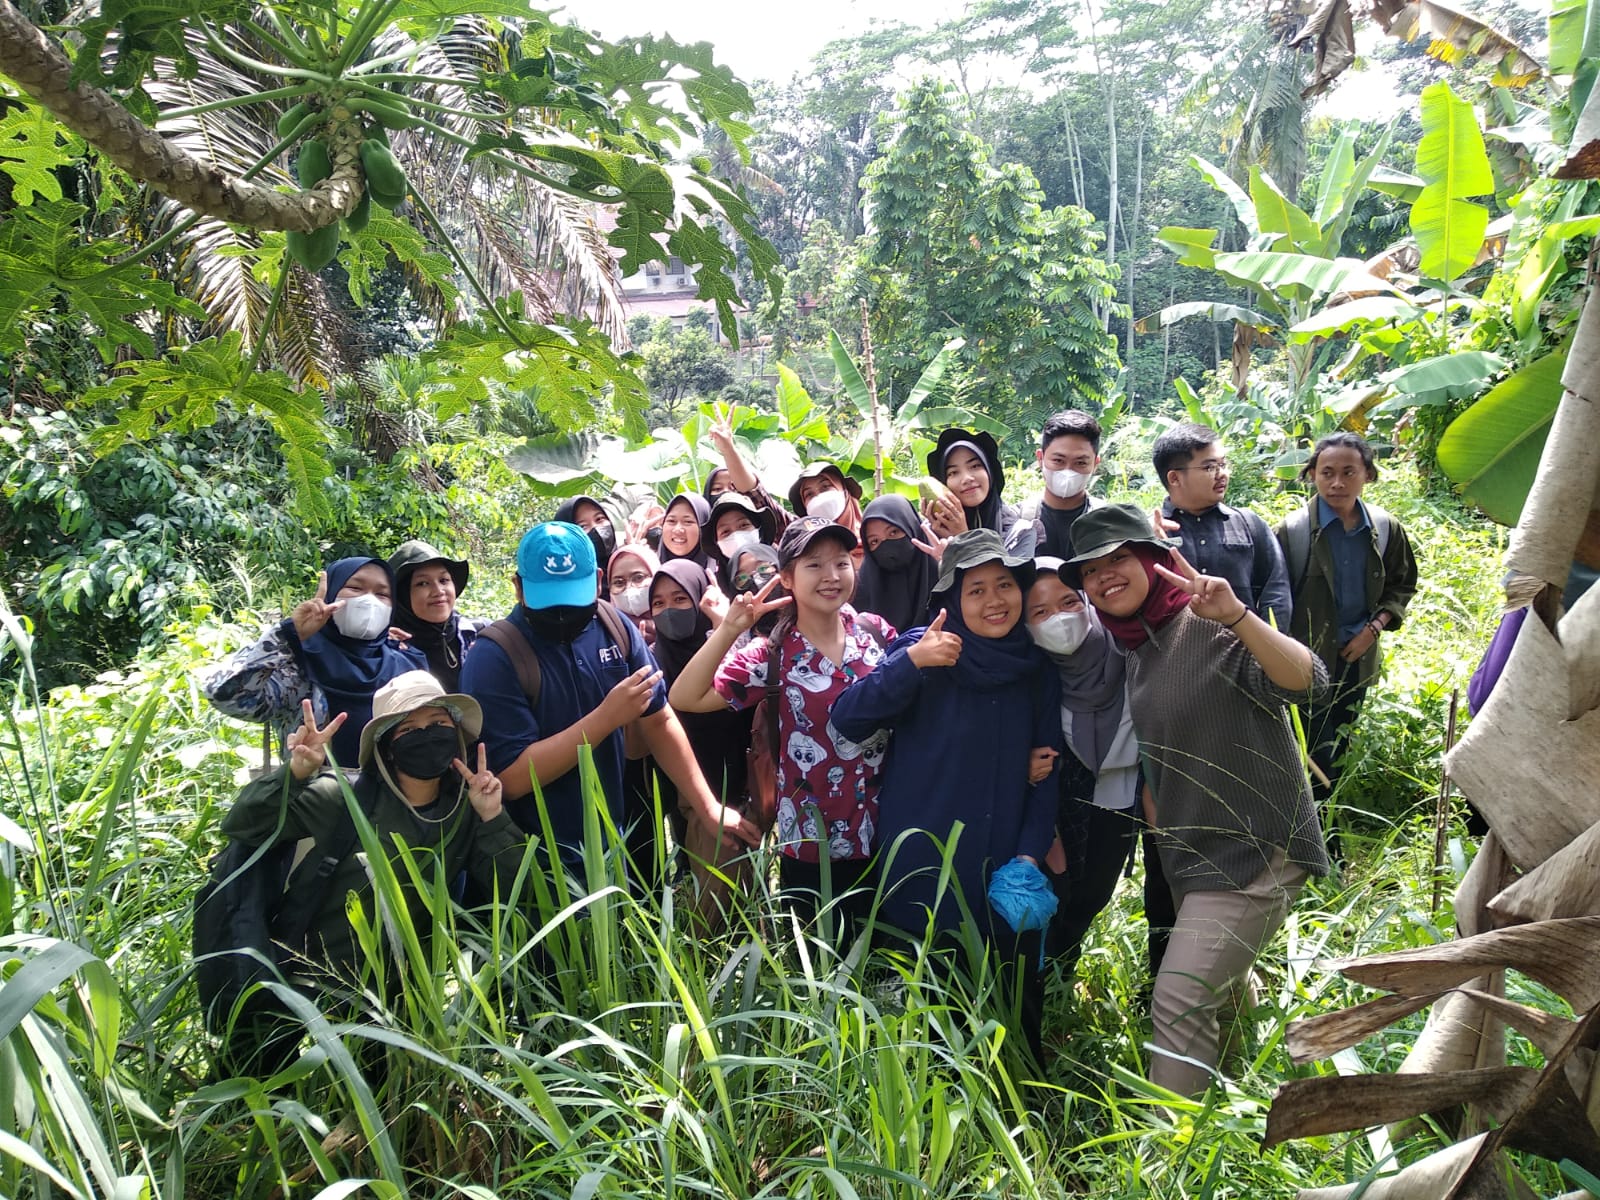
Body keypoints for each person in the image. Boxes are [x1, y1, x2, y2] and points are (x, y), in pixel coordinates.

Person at [1062, 503, 1329, 1097]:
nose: (1106, 576)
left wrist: (1238, 616)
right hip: (1197, 854)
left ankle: (1176, 1153)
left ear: (1155, 561)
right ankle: (1248, 1105)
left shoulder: (1206, 624)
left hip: (1257, 849)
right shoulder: (1135, 649)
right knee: (1223, 992)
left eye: (1119, 559)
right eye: (1091, 571)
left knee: (1179, 998)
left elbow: (1307, 680)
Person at [213, 672, 529, 1075]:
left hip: (395, 991)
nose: (426, 735)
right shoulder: (341, 798)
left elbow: (516, 885)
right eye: (409, 729)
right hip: (304, 977)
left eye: (438, 725)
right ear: (387, 748)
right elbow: (242, 823)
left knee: (375, 1100)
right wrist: (293, 775)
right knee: (255, 1085)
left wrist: (492, 816)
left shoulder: (464, 810)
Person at [832, 529, 1062, 1060]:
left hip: (1004, 858)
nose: (993, 600)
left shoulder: (1035, 665)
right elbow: (849, 719)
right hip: (925, 857)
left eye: (1004, 585)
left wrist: (1028, 855)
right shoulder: (923, 651)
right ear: (952, 601)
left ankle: (1018, 1107)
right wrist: (911, 664)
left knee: (1011, 993)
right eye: (975, 589)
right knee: (930, 1000)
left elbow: (1048, 765)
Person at [461, 522, 759, 879]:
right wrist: (605, 719)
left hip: (611, 844)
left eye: (573, 600)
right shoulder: (495, 656)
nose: (561, 614)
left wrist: (707, 806)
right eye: (548, 601)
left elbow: (659, 719)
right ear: (518, 588)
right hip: (533, 861)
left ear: (598, 580)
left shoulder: (614, 627)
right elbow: (510, 777)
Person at [669, 517, 893, 935]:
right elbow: (685, 697)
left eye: (841, 563)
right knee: (821, 967)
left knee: (885, 961)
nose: (831, 576)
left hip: (886, 830)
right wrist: (730, 629)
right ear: (787, 577)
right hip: (810, 840)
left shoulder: (873, 633)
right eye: (814, 565)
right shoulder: (769, 654)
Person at [1275, 434, 1418, 841]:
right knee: (1308, 749)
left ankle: (1324, 832)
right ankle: (1315, 838)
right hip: (1304, 664)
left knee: (1337, 744)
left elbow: (1402, 585)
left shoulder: (1386, 530)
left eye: (1348, 472)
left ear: (1367, 476)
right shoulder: (1293, 533)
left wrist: (1373, 630)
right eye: (1327, 473)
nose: (1337, 482)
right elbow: (1274, 597)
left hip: (1356, 660)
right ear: (1312, 476)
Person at [1024, 558, 1141, 973]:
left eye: (1069, 602)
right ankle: (1045, 978)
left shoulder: (1132, 653)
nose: (1057, 618)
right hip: (1061, 809)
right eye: (1039, 612)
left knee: (1095, 894)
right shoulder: (1034, 678)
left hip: (1123, 799)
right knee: (1059, 892)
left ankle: (1063, 970)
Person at [205, 556, 425, 766]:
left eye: (382, 594)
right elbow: (226, 696)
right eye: (356, 588)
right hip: (316, 798)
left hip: (395, 799)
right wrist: (288, 635)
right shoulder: (296, 664)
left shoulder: (407, 663)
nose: (369, 600)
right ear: (330, 595)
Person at [1151, 423, 1291, 627]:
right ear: (1174, 478)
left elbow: (1277, 593)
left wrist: (1268, 646)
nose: (1222, 474)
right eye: (1209, 467)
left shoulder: (1249, 523)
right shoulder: (1152, 532)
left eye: (1223, 465)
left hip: (1246, 651)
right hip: (1177, 656)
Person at [387, 541, 483, 692]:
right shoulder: (387, 649)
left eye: (444, 580)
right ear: (402, 595)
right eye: (423, 583)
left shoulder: (478, 634)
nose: (438, 591)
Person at [922, 429, 1030, 553]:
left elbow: (1004, 573)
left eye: (975, 466)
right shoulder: (929, 533)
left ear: (990, 471)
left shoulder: (1019, 532)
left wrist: (962, 537)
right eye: (953, 472)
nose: (967, 478)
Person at [1022, 411, 1105, 559]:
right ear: (1040, 459)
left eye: (1080, 463)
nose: (1068, 471)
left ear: (1095, 464)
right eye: (1058, 461)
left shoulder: (1109, 524)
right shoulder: (1016, 521)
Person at [853, 495, 939, 634]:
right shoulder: (859, 595)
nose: (886, 545)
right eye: (874, 541)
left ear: (913, 529)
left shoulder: (946, 578)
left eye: (894, 532)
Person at [703, 490, 779, 595]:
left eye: (743, 525)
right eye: (725, 532)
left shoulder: (787, 563)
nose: (736, 536)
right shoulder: (717, 593)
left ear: (759, 530)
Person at [788, 462, 865, 541]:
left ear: (844, 492)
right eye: (809, 494)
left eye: (825, 487)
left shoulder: (871, 536)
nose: (818, 497)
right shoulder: (801, 544)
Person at [606, 543, 663, 646]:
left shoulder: (674, 623)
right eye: (619, 582)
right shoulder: (606, 628)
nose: (629, 588)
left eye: (638, 577)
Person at [659, 493, 715, 574]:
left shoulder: (723, 576)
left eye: (688, 522)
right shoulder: (647, 570)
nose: (677, 530)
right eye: (671, 521)